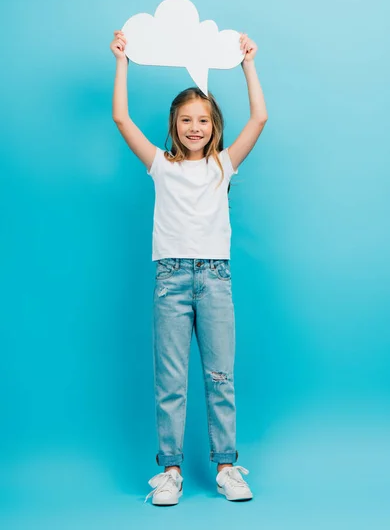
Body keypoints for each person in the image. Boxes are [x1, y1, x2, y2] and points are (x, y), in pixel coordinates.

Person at [110, 28, 268, 505]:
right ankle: (171, 471)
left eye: (202, 120)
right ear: (174, 125)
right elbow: (121, 117)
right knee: (171, 380)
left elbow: (259, 117)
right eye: (185, 121)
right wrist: (122, 60)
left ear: (214, 125)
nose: (194, 128)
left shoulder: (223, 165)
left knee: (220, 377)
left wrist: (247, 63)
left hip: (215, 280)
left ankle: (226, 467)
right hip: (171, 280)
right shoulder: (161, 165)